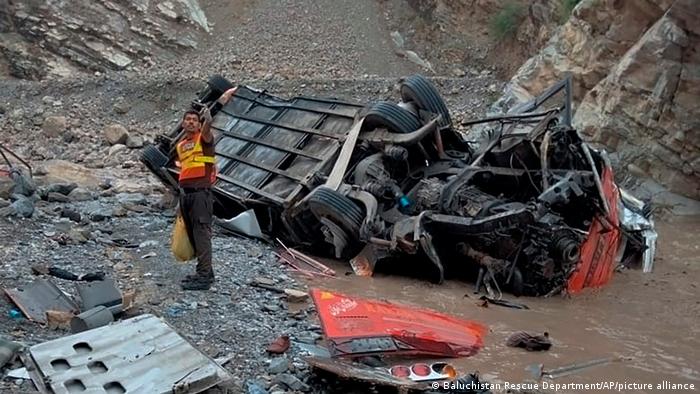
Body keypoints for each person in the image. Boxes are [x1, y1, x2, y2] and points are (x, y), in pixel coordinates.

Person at [176, 87, 237, 290]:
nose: (191, 122)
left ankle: (203, 277)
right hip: (186, 195)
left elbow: (208, 127)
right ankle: (205, 272)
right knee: (194, 234)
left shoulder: (204, 139)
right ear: (183, 123)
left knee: (202, 234)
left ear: (199, 124)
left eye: (195, 120)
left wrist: (211, 114)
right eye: (188, 120)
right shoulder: (182, 144)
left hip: (201, 194)